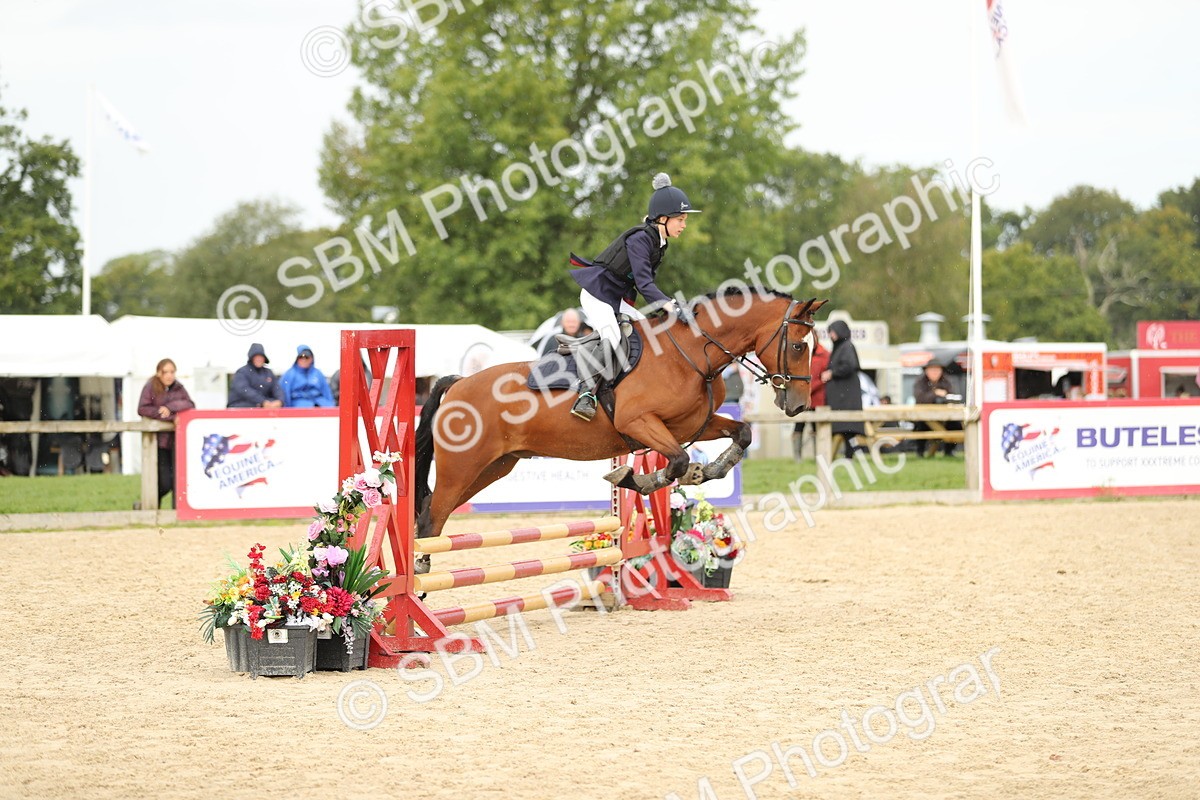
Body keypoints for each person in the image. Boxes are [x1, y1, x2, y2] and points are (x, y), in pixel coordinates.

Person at [564, 172, 701, 421]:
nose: (684, 225)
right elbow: (644, 283)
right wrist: (670, 307)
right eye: (680, 219)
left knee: (648, 331)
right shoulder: (640, 240)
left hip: (616, 298)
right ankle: (585, 394)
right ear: (662, 218)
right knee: (613, 335)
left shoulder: (659, 243)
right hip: (598, 295)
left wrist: (669, 310)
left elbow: (645, 285)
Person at [137, 358, 195, 509]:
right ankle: (148, 506)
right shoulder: (150, 387)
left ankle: (169, 511)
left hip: (176, 441)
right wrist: (167, 415)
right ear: (158, 373)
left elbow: (190, 404)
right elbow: (143, 409)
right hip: (157, 442)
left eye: (172, 372)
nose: (169, 375)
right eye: (166, 372)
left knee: (177, 480)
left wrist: (170, 407)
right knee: (164, 482)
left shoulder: (179, 388)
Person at [821, 320, 864, 457]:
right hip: (841, 397)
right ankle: (847, 456)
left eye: (833, 332)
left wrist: (832, 373)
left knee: (848, 428)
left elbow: (849, 366)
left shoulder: (847, 347)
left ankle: (849, 456)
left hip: (846, 398)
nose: (831, 335)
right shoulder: (840, 348)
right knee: (845, 429)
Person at [913, 359, 963, 457]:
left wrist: (943, 396)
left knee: (955, 425)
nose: (934, 372)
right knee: (920, 426)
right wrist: (935, 394)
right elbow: (920, 398)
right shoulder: (920, 382)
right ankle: (920, 452)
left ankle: (949, 451)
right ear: (926, 371)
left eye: (937, 369)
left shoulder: (947, 381)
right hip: (924, 415)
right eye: (932, 369)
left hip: (945, 416)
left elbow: (952, 396)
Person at [792, 339, 830, 460]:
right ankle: (797, 458)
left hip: (817, 399)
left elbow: (824, 377)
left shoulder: (824, 355)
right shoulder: (801, 354)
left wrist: (810, 388)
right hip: (802, 399)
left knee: (816, 428)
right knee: (798, 427)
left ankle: (818, 456)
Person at [227, 343, 284, 409]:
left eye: (261, 357)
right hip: (241, 405)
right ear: (251, 358)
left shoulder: (268, 373)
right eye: (256, 357)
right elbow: (245, 390)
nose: (259, 359)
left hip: (262, 406)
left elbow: (277, 388)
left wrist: (280, 401)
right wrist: (262, 401)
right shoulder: (242, 372)